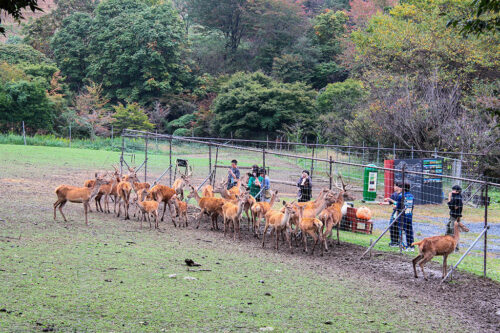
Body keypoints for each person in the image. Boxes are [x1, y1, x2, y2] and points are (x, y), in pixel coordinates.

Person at [381, 183, 402, 247]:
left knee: (398, 227)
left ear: (399, 187)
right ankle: (393, 241)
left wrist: (391, 200)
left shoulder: (402, 195)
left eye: (395, 186)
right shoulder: (394, 194)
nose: (394, 187)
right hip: (394, 213)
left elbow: (397, 204)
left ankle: (399, 242)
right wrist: (383, 203)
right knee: (392, 226)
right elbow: (390, 203)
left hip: (400, 213)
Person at [447, 185, 463, 251]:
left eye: (453, 190)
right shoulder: (457, 196)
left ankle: (456, 248)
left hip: (454, 217)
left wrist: (449, 197)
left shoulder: (456, 198)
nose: (452, 191)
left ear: (457, 191)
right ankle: (448, 245)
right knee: (449, 230)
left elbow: (450, 205)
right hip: (454, 216)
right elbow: (453, 206)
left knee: (453, 232)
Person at [400, 182, 415, 251]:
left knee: (402, 231)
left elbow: (398, 207)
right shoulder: (412, 196)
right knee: (410, 231)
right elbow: (412, 206)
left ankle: (404, 247)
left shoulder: (401, 196)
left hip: (403, 216)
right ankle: (411, 246)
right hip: (409, 215)